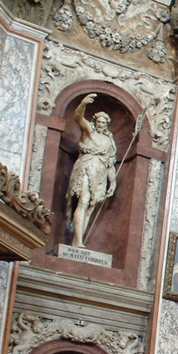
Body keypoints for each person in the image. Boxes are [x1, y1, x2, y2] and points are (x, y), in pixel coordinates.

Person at [67, 94, 118, 249]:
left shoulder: (109, 141)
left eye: (104, 122)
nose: (101, 124)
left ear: (107, 124)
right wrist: (83, 104)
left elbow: (110, 164)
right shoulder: (89, 132)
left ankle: (77, 242)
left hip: (100, 173)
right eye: (99, 122)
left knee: (90, 207)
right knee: (83, 201)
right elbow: (78, 117)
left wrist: (113, 181)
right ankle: (78, 242)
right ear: (95, 122)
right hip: (87, 166)